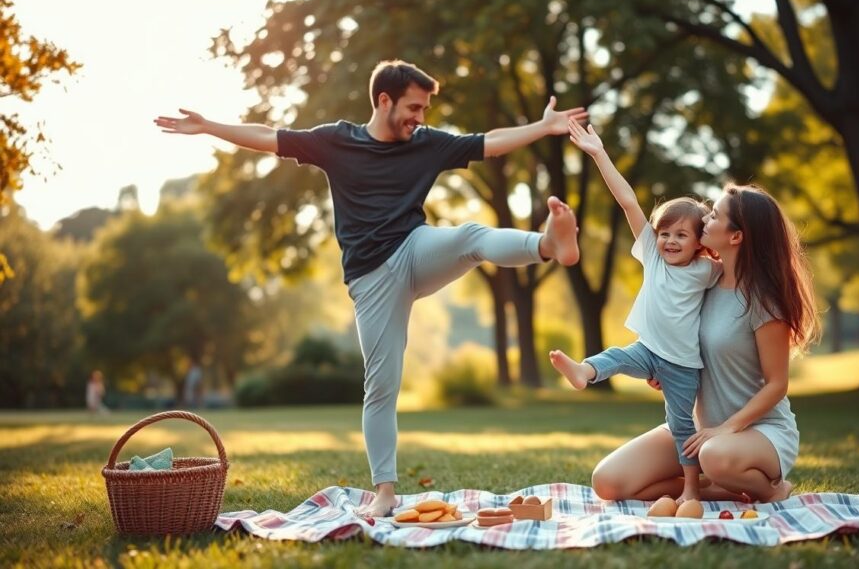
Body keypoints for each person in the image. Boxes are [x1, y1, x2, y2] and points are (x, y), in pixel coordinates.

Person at [155, 59, 586, 517]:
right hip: (371, 278)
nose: (420, 117)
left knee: (471, 238)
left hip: (415, 249)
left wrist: (543, 127)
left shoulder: (426, 144)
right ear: (384, 100)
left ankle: (548, 245)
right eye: (414, 107)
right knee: (381, 386)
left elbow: (489, 143)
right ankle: (385, 492)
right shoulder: (337, 141)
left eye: (424, 109)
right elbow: (269, 135)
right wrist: (209, 127)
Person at [590, 183, 820, 504]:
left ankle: (773, 490)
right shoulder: (700, 282)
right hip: (701, 428)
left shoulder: (763, 303)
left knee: (713, 456)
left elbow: (777, 385)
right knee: (608, 481)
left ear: (735, 236)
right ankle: (716, 489)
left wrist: (727, 428)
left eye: (714, 216)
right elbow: (678, 342)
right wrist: (663, 368)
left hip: (760, 431)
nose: (704, 220)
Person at [548, 120, 721, 504]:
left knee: (681, 425)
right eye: (664, 233)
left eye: (681, 235)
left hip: (682, 365)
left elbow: (739, 261)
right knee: (616, 356)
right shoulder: (653, 258)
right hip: (648, 350)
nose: (669, 241)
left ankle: (691, 489)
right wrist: (599, 154)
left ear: (699, 242)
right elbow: (628, 201)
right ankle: (584, 372)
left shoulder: (708, 269)